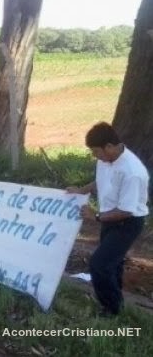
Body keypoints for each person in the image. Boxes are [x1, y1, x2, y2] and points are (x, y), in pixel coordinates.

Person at [67, 122, 149, 317]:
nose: (95, 156)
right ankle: (116, 301)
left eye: (96, 152)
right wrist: (81, 190)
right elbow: (101, 180)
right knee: (113, 262)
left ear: (110, 146)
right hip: (109, 218)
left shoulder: (132, 172)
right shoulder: (105, 160)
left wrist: (95, 216)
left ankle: (111, 309)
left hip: (126, 223)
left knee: (99, 264)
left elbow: (126, 211)